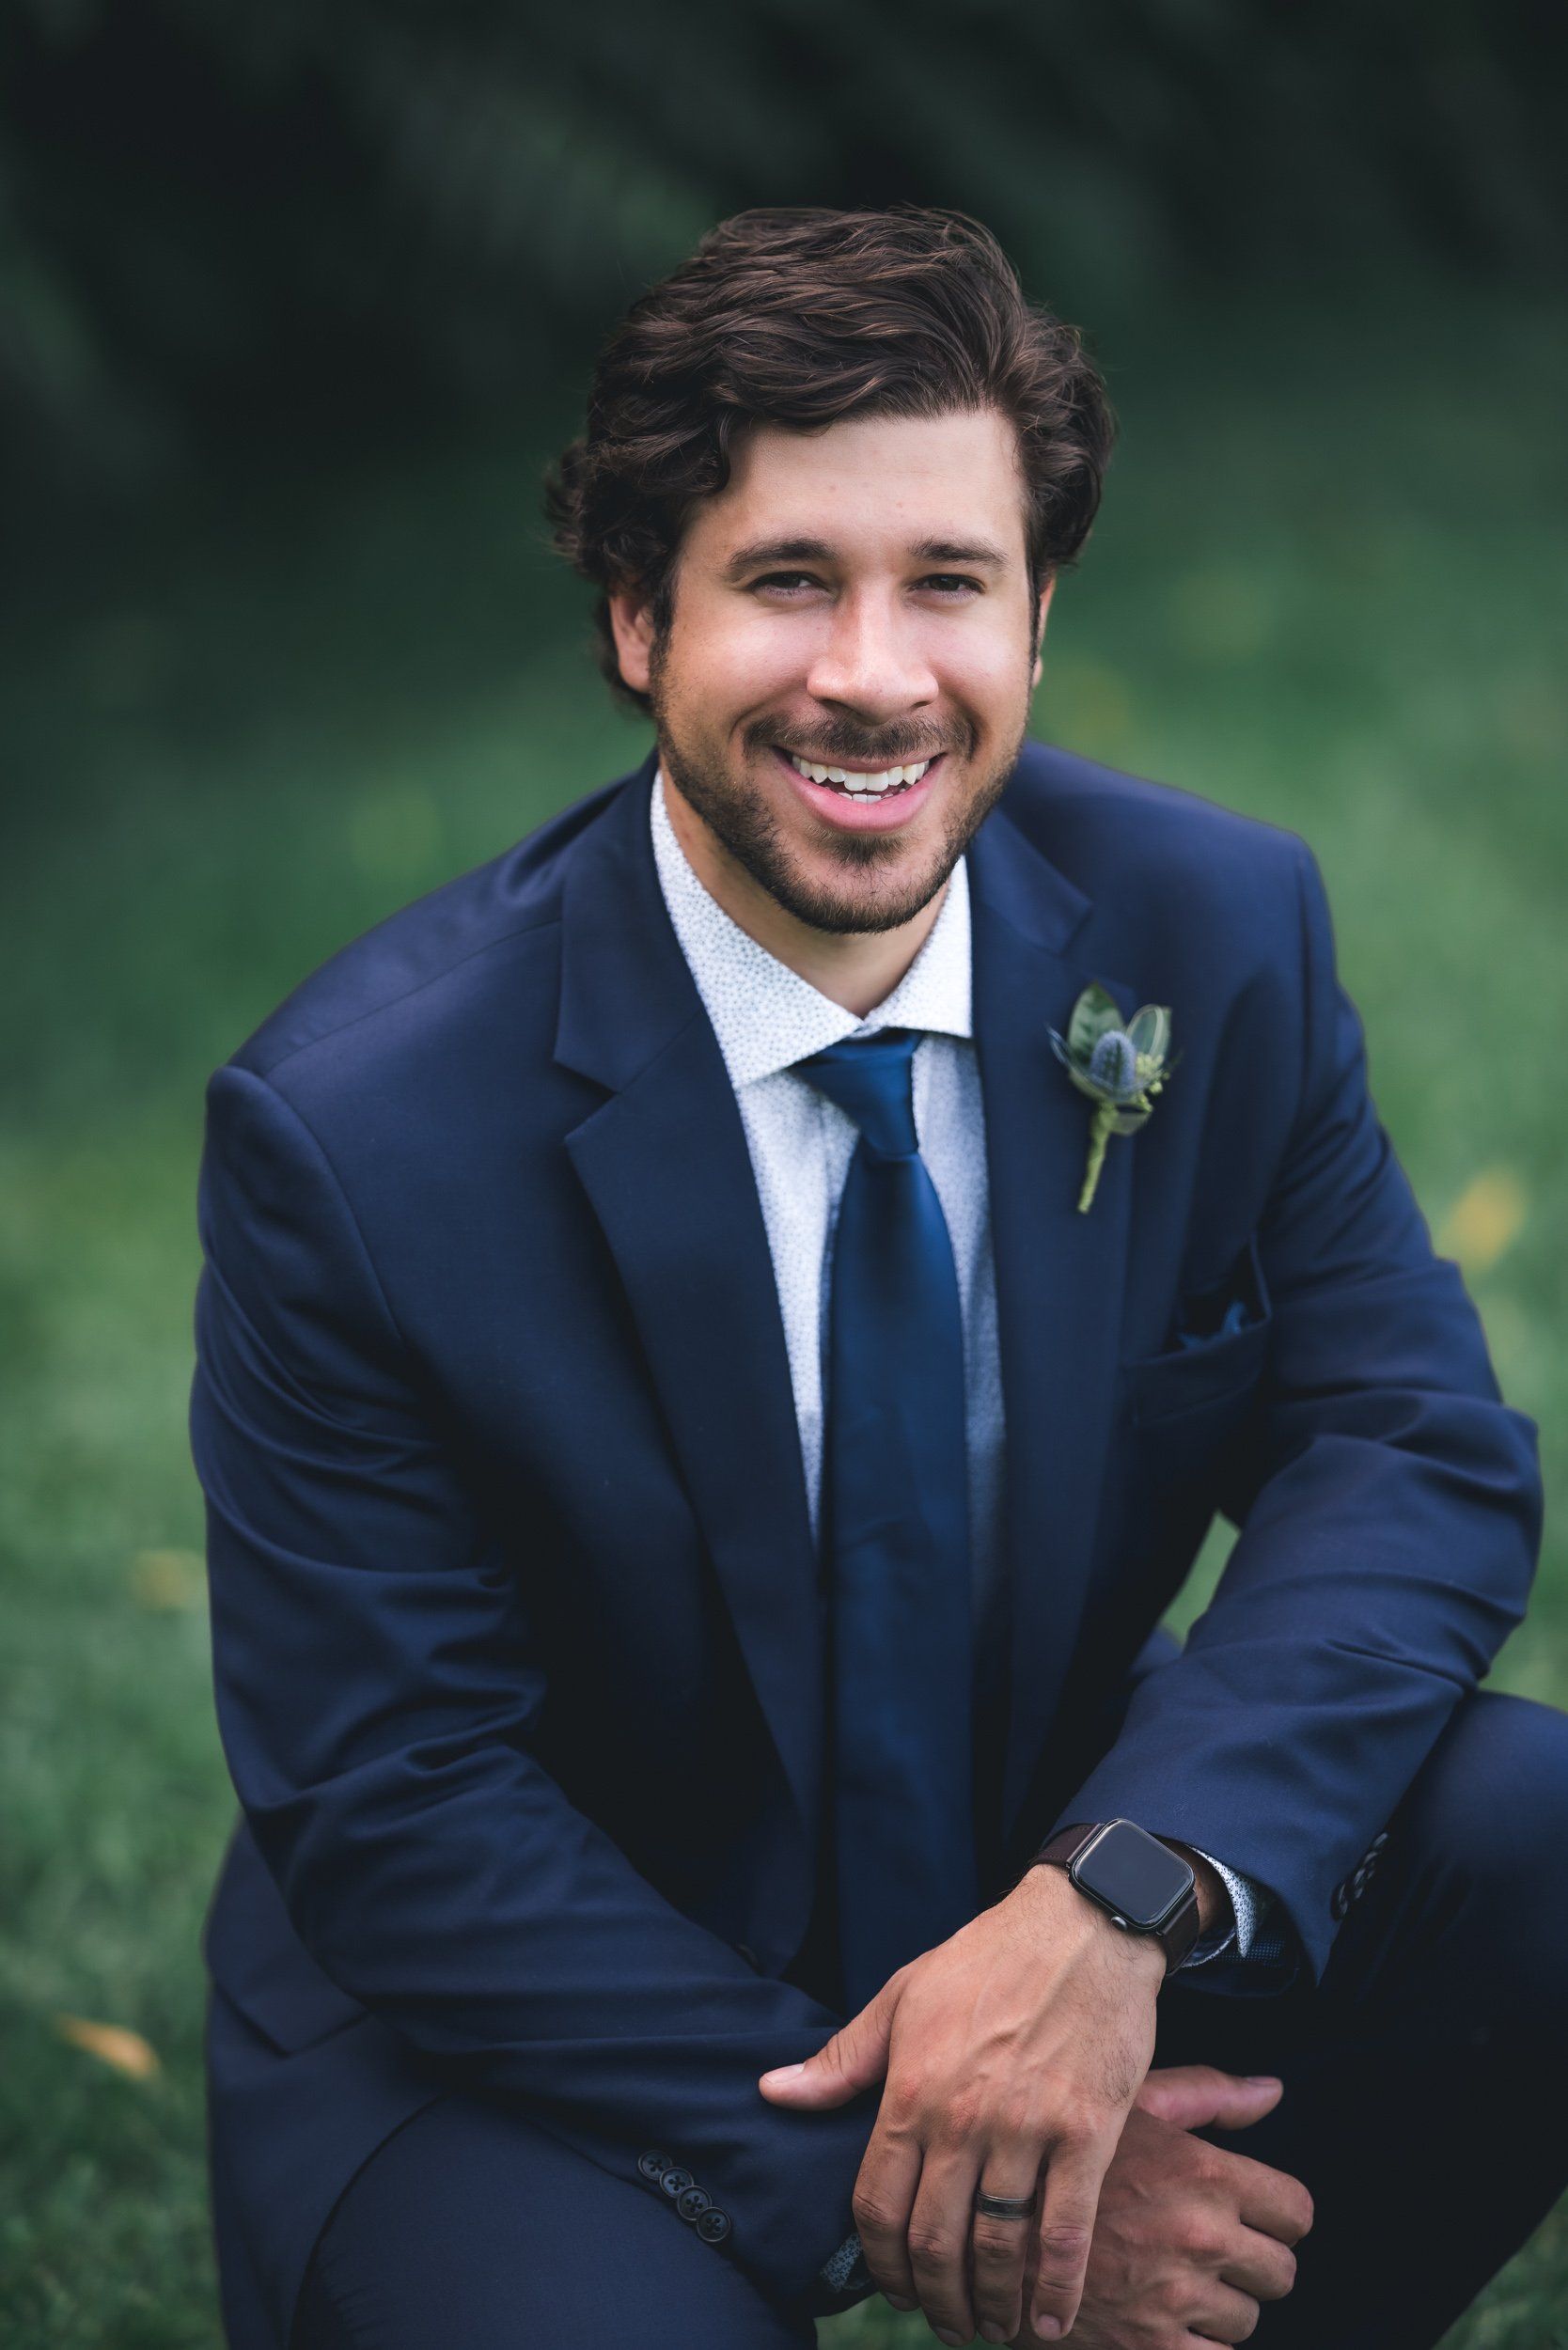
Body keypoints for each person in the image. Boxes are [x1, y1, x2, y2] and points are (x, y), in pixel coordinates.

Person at [191, 206, 1563, 2350]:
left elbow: (1410, 1449)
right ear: (639, 616)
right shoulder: (352, 1135)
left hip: (1049, 1866)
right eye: (787, 581)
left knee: (1533, 1829)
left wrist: (1123, 1895)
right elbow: (396, 1801)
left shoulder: (1214, 934)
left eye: (949, 582)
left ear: (1040, 613)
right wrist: (922, 2173)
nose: (874, 672)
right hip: (556, 2026)